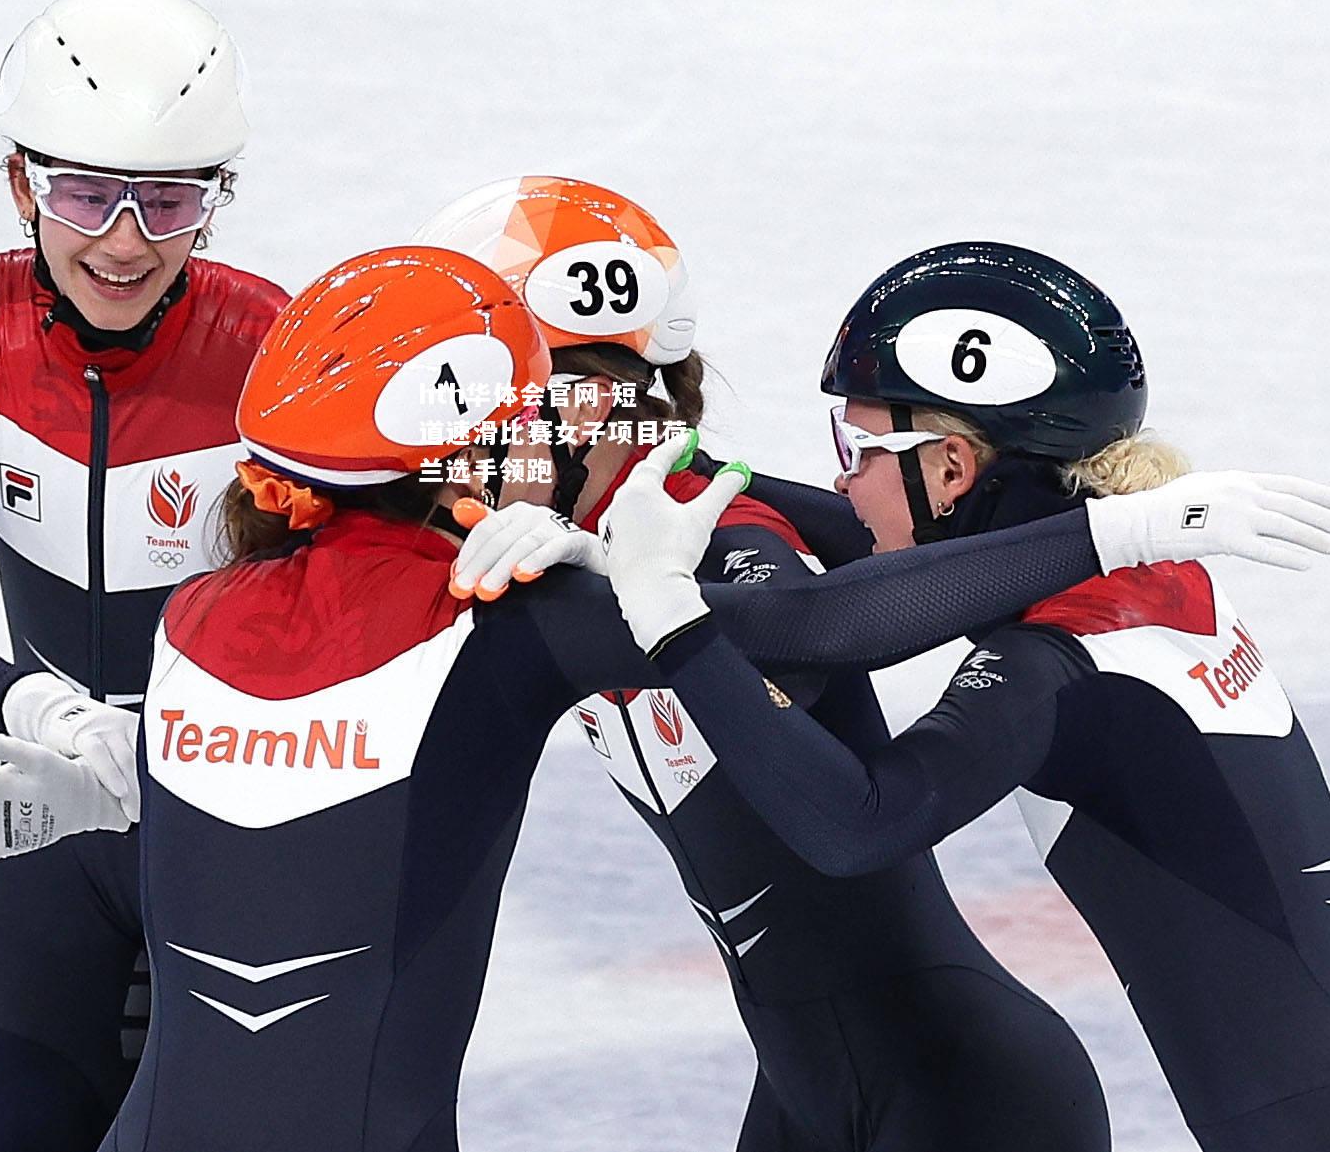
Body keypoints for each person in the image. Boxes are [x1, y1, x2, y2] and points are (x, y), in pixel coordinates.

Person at [0, 243, 1330, 1151]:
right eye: (547, 392)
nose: (578, 418)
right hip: (808, 1088)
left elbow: (809, 617)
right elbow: (354, 708)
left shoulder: (669, 551)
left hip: (946, 1092)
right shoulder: (508, 589)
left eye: (603, 386)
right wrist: (143, 759)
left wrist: (1119, 532)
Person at [586, 242, 1330, 1152]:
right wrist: (643, 477)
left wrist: (673, 620)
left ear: (951, 467)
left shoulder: (1061, 659)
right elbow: (853, 599)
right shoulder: (1125, 567)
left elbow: (856, 823)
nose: (840, 474)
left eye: (858, 444)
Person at [417, 177, 1110, 1150]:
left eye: (473, 398)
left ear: (584, 401)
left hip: (962, 1101)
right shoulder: (544, 526)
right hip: (809, 1089)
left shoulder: (724, 533)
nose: (447, 437)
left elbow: (801, 644)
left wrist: (648, 598)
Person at [0, 0, 287, 1151]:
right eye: (83, 194)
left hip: (235, 842)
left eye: (170, 200)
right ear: (18, 184)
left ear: (215, 198)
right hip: (50, 830)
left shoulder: (273, 343)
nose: (125, 241)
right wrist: (31, 701)